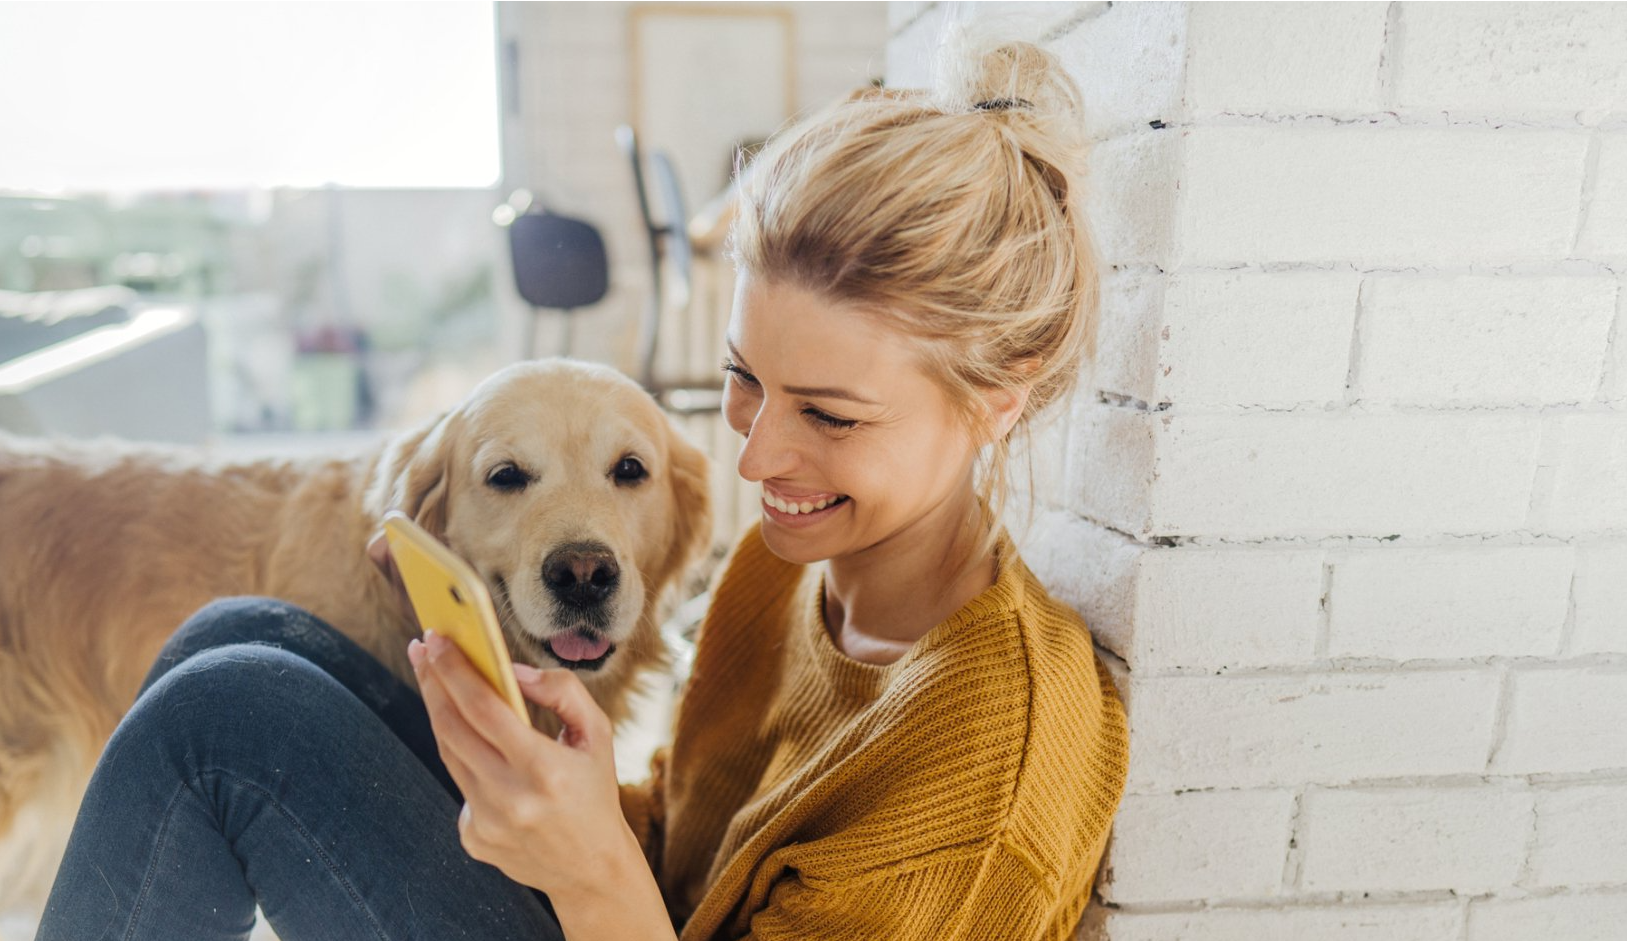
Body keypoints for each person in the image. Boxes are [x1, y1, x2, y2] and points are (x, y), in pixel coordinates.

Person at [37, 23, 1129, 941]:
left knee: (227, 720)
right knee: (241, 642)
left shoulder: (983, 768)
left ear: (999, 397)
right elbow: (686, 841)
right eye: (745, 381)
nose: (755, 458)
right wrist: (565, 785)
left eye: (829, 415)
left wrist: (590, 861)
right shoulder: (793, 572)